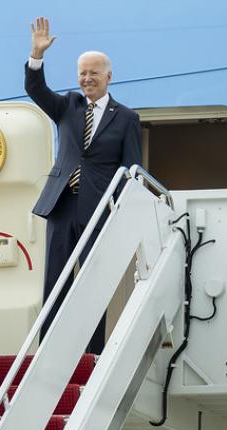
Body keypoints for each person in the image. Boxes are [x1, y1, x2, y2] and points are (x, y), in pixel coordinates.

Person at [25, 16, 142, 354]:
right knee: (56, 279)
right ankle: (49, 348)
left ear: (109, 77)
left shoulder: (127, 118)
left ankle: (91, 352)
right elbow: (35, 89)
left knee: (92, 280)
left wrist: (120, 210)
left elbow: (131, 167)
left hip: (98, 207)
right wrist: (36, 55)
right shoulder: (67, 105)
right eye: (82, 73)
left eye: (93, 73)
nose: (87, 78)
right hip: (62, 204)